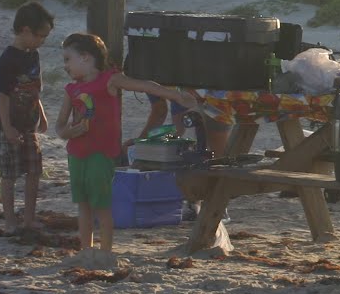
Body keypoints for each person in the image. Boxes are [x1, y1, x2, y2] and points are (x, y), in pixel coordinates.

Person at [55, 32, 196, 266]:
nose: (65, 66)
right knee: (83, 204)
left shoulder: (110, 80)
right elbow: (60, 127)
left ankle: (106, 252)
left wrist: (175, 96)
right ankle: (86, 250)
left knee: (102, 204)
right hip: (77, 153)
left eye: (68, 59)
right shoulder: (71, 90)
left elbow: (145, 85)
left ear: (85, 57)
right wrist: (72, 131)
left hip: (101, 154)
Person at [0, 0, 54, 233]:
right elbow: (3, 95)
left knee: (34, 171)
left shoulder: (33, 55)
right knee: (9, 174)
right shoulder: (9, 58)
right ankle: (10, 221)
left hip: (30, 124)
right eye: (41, 36)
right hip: (9, 124)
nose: (42, 41)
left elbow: (34, 89)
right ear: (26, 30)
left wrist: (42, 115)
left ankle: (29, 218)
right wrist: (7, 126)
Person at [128, 89, 232, 221]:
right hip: (187, 94)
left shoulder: (152, 82)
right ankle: (196, 203)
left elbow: (164, 113)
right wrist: (144, 142)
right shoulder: (151, 83)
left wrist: (142, 141)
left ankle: (219, 205)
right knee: (192, 150)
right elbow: (176, 126)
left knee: (216, 151)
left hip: (210, 95)